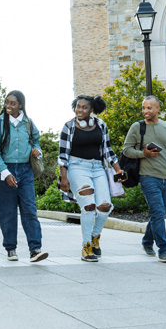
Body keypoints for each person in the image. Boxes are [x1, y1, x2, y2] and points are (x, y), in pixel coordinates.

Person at [57, 95, 125, 262]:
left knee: (104, 205)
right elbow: (62, 155)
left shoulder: (101, 125)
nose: (80, 110)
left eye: (84, 107)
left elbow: (108, 151)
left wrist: (118, 170)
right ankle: (86, 246)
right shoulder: (69, 127)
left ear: (92, 110)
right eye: (78, 106)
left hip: (97, 168)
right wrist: (63, 178)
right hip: (77, 168)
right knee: (88, 205)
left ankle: (95, 237)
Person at [122, 95, 166, 263]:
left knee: (160, 213)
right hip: (148, 176)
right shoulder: (137, 127)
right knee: (157, 212)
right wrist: (143, 154)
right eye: (144, 108)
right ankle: (164, 250)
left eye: (149, 108)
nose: (145, 111)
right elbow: (126, 150)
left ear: (158, 109)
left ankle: (147, 241)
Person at [0, 90, 48, 263]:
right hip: (5, 170)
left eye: (12, 103)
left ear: (20, 105)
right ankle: (11, 248)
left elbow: (36, 140)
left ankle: (35, 249)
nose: (8, 105)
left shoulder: (28, 123)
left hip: (25, 170)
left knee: (29, 208)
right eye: (7, 102)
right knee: (7, 212)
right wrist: (5, 173)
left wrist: (38, 151)